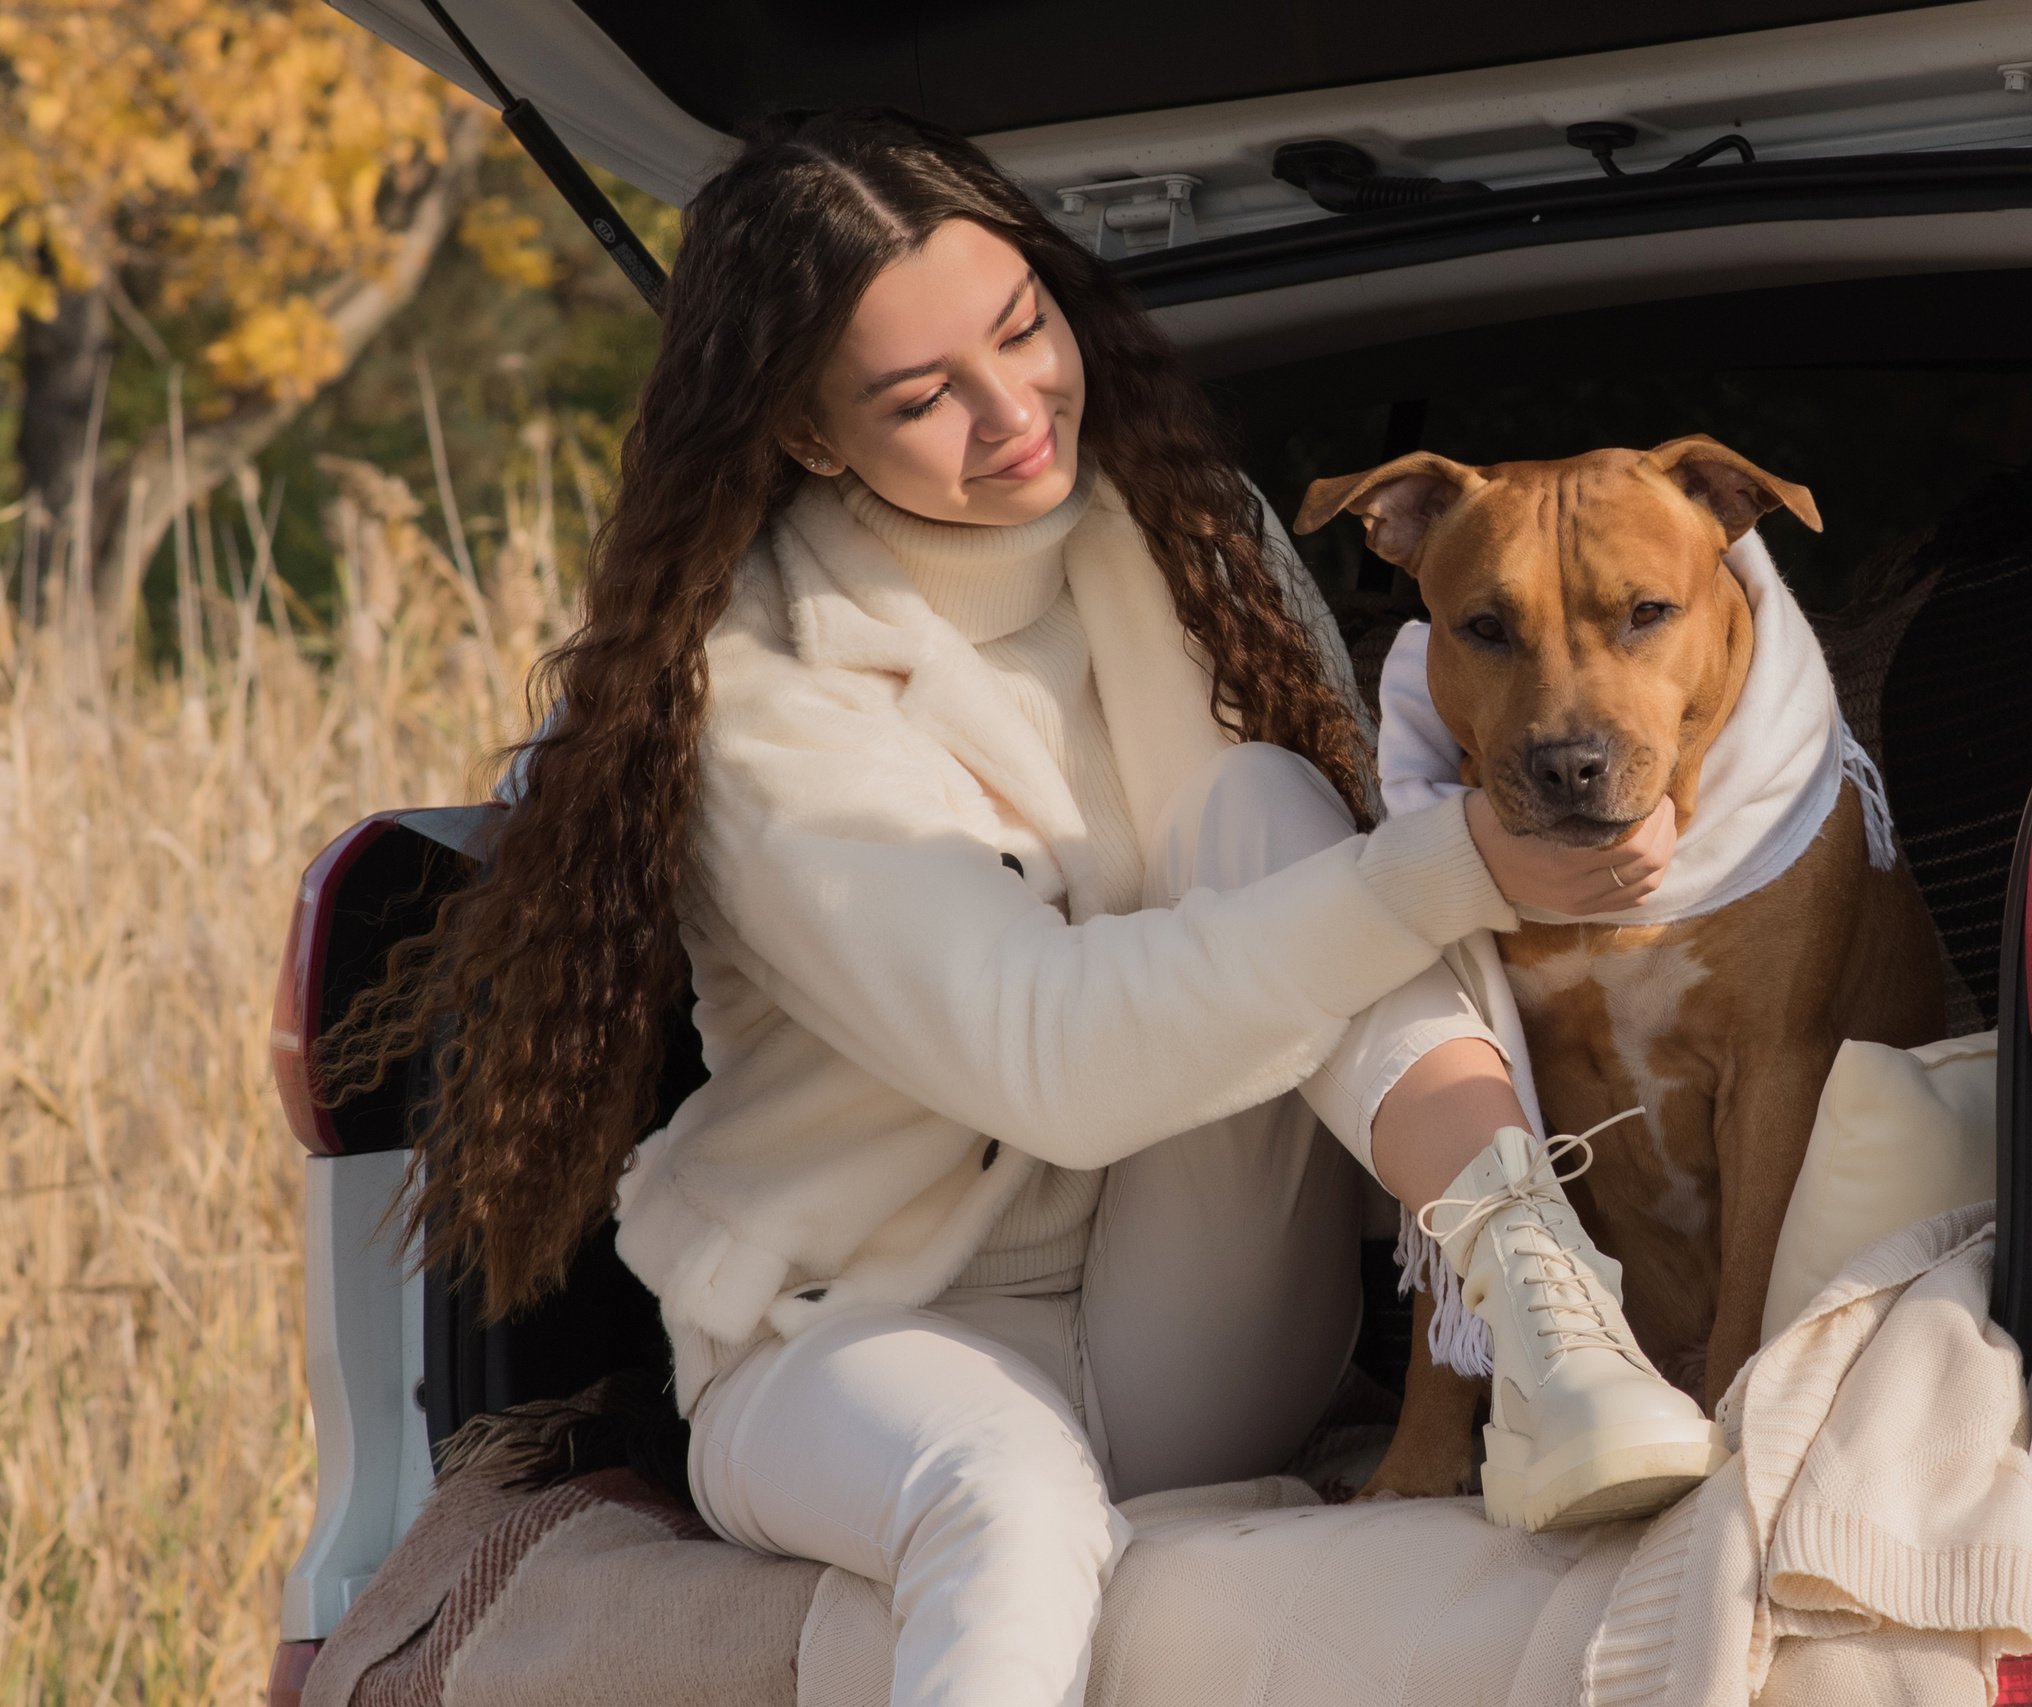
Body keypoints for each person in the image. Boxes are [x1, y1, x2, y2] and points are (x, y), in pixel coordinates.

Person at [329, 107, 1715, 1707]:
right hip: (851, 1346)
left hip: (1187, 1315)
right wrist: (1460, 861)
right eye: (924, 398)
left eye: (1024, 329)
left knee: (1266, 806)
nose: (1014, 416)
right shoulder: (755, 697)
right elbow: (1047, 1064)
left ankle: (1551, 1323)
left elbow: (1320, 908)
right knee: (1007, 1493)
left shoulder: (1186, 534)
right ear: (807, 436)